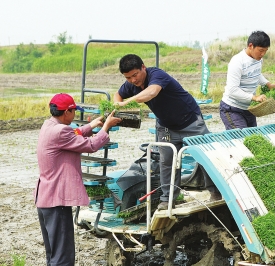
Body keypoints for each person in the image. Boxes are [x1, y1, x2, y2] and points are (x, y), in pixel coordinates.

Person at [114, 54, 221, 210]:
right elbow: (119, 94)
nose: (133, 80)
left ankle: (216, 193)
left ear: (143, 67)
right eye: (128, 77)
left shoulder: (157, 75)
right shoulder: (131, 84)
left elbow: (151, 93)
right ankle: (168, 199)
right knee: (167, 162)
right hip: (166, 126)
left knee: (204, 157)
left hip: (190, 121)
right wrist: (117, 103)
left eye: (135, 75)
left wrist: (127, 102)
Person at [34, 93, 121, 266]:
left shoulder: (49, 125)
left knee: (53, 255)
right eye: (73, 111)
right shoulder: (61, 131)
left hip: (45, 200)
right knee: (63, 258)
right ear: (66, 112)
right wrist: (105, 128)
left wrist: (91, 125)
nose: (74, 115)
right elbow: (90, 145)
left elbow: (72, 134)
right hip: (56, 201)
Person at [220, 30, 275, 130]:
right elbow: (232, 90)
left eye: (265, 51)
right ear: (251, 46)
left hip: (249, 108)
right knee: (241, 139)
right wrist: (254, 98)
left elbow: (256, 74)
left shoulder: (258, 59)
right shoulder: (237, 61)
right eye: (260, 50)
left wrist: (268, 84)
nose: (263, 54)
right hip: (232, 108)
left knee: (253, 139)